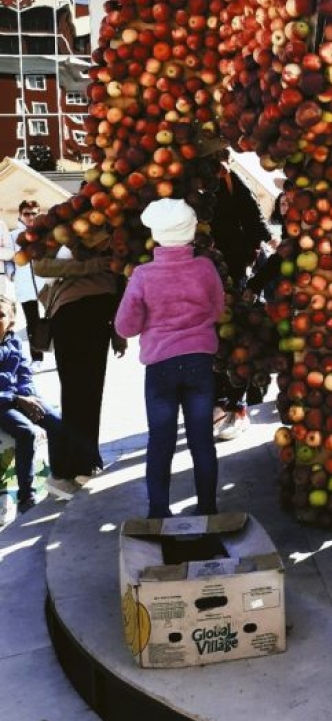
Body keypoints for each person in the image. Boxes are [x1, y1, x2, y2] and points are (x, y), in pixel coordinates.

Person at [115, 198, 226, 518]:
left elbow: (126, 326)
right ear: (192, 232)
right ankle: (208, 508)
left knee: (161, 443)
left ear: (156, 234)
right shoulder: (205, 268)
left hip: (160, 367)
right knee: (202, 441)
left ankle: (159, 513)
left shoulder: (142, 275)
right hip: (200, 363)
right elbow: (217, 310)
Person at [34, 244, 126, 473]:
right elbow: (42, 266)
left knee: (79, 390)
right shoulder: (65, 229)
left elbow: (122, 274)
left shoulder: (110, 229)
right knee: (84, 390)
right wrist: (93, 265)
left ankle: (78, 463)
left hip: (87, 311)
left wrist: (118, 330)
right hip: (78, 311)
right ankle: (80, 462)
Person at [0, 295, 90, 508]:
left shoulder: (13, 341)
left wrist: (28, 397)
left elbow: (24, 374)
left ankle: (59, 478)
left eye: (1, 315)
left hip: (19, 397)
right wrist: (16, 398)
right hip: (3, 402)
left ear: (12, 321)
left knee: (57, 421)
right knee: (27, 432)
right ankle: (26, 496)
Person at [209, 163, 271, 440]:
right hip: (199, 275)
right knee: (212, 342)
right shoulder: (183, 184)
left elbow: (256, 224)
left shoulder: (229, 180)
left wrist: (252, 256)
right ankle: (219, 402)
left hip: (233, 273)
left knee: (237, 340)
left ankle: (238, 407)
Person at [11, 200, 46, 363]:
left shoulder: (46, 233)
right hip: (26, 286)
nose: (31, 217)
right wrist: (12, 275)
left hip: (47, 284)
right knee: (33, 322)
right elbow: (8, 260)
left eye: (34, 213)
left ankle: (62, 353)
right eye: (27, 213)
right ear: (20, 215)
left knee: (56, 319)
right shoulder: (13, 236)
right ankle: (37, 358)